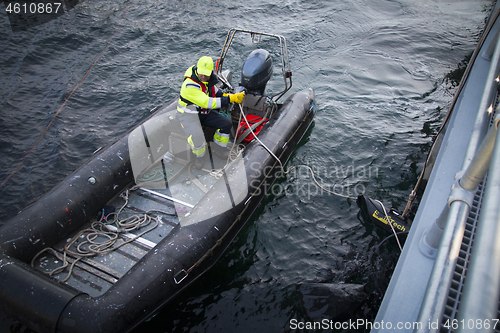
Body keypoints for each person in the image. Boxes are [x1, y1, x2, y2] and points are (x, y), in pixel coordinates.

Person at [175, 56, 245, 169]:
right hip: (188, 115)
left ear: (210, 73)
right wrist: (231, 99)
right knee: (196, 135)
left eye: (205, 75)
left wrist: (231, 96)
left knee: (226, 124)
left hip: (203, 114)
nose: (203, 76)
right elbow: (207, 103)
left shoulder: (209, 81)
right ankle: (199, 157)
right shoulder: (189, 85)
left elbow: (217, 92)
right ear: (197, 70)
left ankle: (219, 149)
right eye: (201, 74)